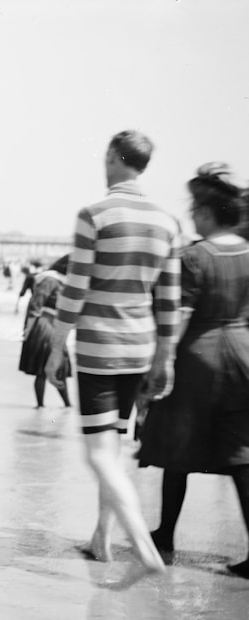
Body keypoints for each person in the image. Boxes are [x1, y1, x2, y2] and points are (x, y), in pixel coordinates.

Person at [45, 130, 180, 585]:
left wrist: (56, 342)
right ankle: (102, 537)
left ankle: (139, 540)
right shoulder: (167, 221)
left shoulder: (94, 215)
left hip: (99, 348)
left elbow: (75, 287)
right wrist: (166, 358)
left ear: (111, 158)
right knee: (115, 446)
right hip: (141, 349)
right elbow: (170, 301)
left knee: (99, 454)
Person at [137, 163, 249, 578]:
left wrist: (159, 365)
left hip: (198, 359)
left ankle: (165, 535)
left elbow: (179, 316)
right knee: (241, 455)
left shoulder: (194, 257)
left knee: (176, 449)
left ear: (205, 213)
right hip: (243, 355)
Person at [18, 254, 72, 409]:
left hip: (54, 325)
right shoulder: (50, 279)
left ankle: (66, 404)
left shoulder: (59, 280)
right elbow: (36, 305)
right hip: (44, 325)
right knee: (43, 366)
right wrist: (28, 330)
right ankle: (41, 405)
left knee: (59, 367)